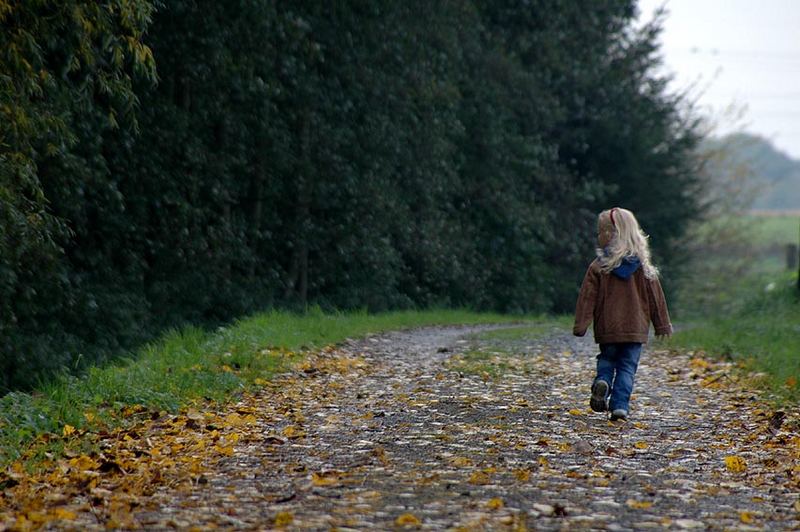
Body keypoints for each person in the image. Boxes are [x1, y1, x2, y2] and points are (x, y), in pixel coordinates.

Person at [573, 207, 672, 421]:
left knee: (607, 360)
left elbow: (587, 297)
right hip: (635, 329)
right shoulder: (643, 267)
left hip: (608, 328)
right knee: (627, 367)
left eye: (600, 232)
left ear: (610, 235)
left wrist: (581, 325)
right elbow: (657, 299)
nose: (598, 236)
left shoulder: (599, 266)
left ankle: (603, 382)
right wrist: (662, 325)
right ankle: (619, 407)